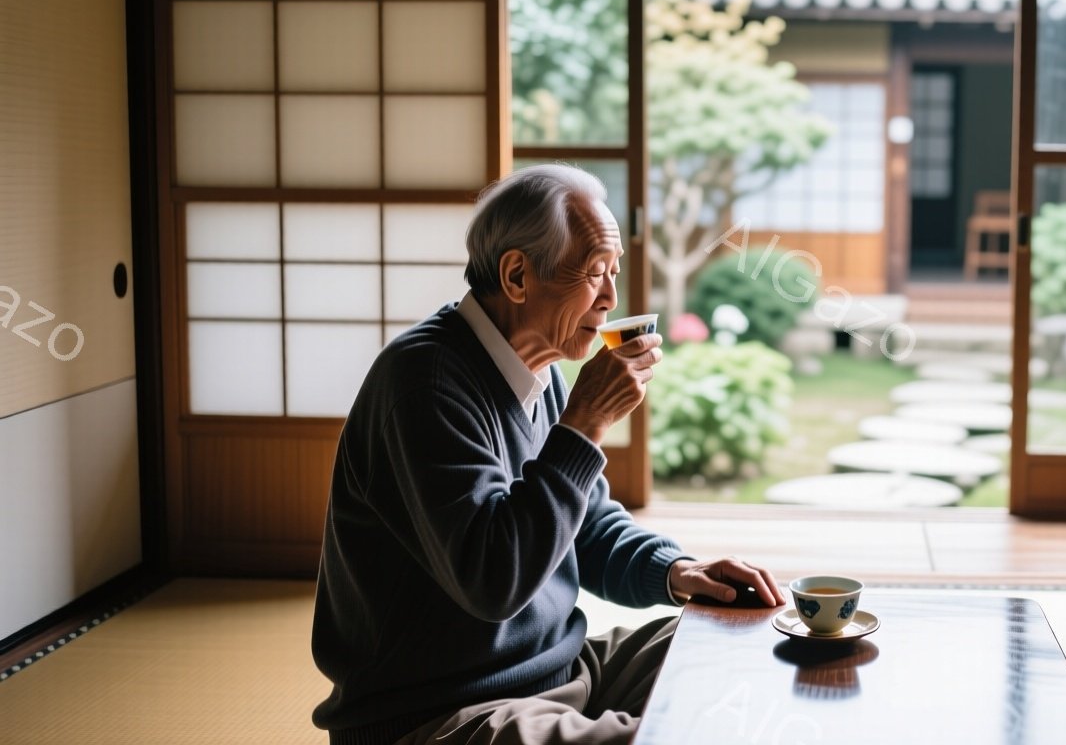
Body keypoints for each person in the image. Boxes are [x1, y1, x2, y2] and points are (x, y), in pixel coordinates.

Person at [311, 164, 781, 745]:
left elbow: (587, 524)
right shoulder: (424, 384)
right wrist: (584, 426)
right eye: (593, 274)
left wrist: (677, 572)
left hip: (560, 670)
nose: (611, 297)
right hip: (442, 710)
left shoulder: (543, 370)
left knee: (734, 644)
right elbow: (494, 582)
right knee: (676, 734)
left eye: (614, 273)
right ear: (516, 275)